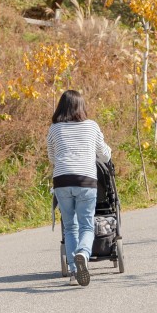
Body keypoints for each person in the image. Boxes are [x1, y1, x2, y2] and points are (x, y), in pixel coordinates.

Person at [47, 89, 112, 287]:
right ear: (81, 106)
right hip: (86, 181)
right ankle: (83, 254)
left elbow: (51, 157)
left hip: (62, 180)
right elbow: (104, 154)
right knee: (86, 225)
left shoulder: (55, 129)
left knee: (70, 226)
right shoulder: (91, 126)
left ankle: (75, 271)